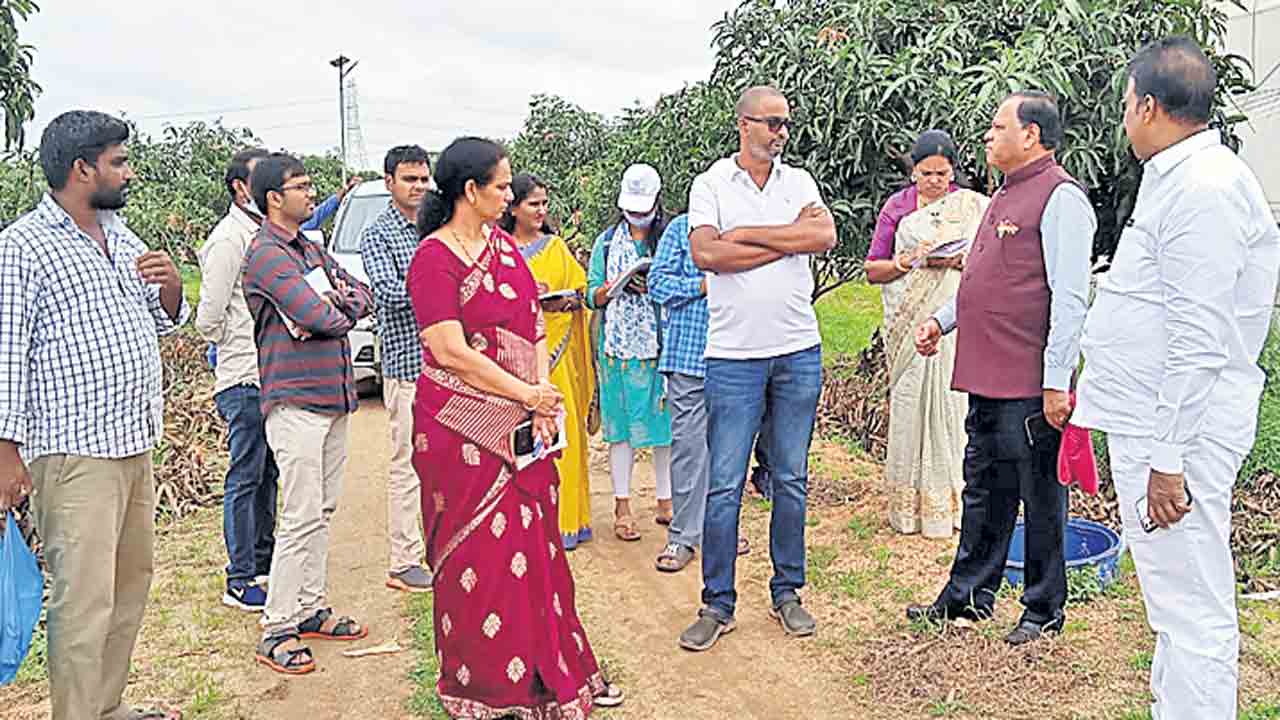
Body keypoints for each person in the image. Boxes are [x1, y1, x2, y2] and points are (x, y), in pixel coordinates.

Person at [1073, 37, 1280, 720]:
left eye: (1126, 104)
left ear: (1149, 107)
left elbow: (1199, 339)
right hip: (1155, 422)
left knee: (1192, 612)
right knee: (1174, 606)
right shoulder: (1178, 178)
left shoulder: (1204, 189)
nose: (1124, 117)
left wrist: (1168, 460)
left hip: (1178, 435)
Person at [408, 136, 623, 716]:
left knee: (534, 548)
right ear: (470, 190)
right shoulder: (434, 258)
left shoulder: (503, 248)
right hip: (459, 427)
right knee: (480, 557)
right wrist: (525, 393)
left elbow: (532, 323)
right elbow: (447, 349)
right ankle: (485, 685)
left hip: (521, 420)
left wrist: (541, 398)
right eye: (502, 186)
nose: (509, 195)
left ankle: (546, 673)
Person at [0, 110, 187, 720]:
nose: (128, 173)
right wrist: (6, 451)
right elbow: (6, 351)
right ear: (83, 169)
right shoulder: (23, 246)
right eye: (118, 162)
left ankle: (105, 707)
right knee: (83, 602)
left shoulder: (120, 234)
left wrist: (171, 290)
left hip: (133, 441)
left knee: (129, 587)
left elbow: (159, 321)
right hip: (74, 451)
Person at [907, 91, 1094, 645]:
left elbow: (1070, 299)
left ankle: (1042, 610)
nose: (988, 136)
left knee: (1040, 499)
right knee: (984, 490)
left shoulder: (1061, 198)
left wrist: (1057, 382)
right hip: (986, 377)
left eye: (997, 127)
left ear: (1030, 135)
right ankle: (967, 596)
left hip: (1030, 384)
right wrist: (942, 321)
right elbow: (982, 280)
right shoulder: (1002, 197)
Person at [680, 86, 837, 651]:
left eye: (786, 123)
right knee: (725, 484)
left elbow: (824, 236)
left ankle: (787, 592)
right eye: (771, 122)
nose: (781, 133)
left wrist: (745, 235)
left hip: (797, 350)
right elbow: (707, 255)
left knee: (790, 479)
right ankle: (717, 603)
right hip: (733, 357)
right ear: (743, 124)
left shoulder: (800, 182)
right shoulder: (711, 184)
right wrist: (788, 241)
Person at [242, 153, 375, 675]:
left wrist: (337, 305)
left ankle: (310, 607)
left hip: (333, 395)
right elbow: (318, 313)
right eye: (300, 186)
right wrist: (336, 308)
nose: (310, 193)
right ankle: (277, 625)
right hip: (295, 399)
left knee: (322, 509)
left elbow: (360, 296)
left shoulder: (311, 249)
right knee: (299, 513)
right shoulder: (266, 255)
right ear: (274, 198)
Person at [865, 130, 990, 538]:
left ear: (953, 172)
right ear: (913, 171)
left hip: (955, 324)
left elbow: (991, 259)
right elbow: (873, 270)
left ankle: (950, 506)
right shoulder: (898, 208)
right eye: (926, 173)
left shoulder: (971, 207)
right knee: (909, 405)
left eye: (942, 173)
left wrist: (961, 262)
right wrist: (910, 261)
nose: (935, 181)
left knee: (953, 409)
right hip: (910, 328)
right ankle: (907, 510)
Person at [196, 148, 278, 612]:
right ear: (240, 188)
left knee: (268, 474)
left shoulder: (264, 232)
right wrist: (234, 340)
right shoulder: (229, 240)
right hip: (243, 375)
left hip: (270, 375)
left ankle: (263, 565)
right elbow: (208, 317)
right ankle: (240, 577)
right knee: (246, 476)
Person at [649, 213, 753, 572]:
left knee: (731, 451)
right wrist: (701, 286)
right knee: (690, 448)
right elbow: (657, 284)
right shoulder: (682, 228)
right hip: (689, 356)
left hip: (740, 354)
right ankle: (682, 536)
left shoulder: (749, 227)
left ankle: (721, 532)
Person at [499, 172, 598, 550]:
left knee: (562, 435)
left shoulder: (556, 248)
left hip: (558, 356)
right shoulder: (498, 247)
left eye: (544, 203)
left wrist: (568, 302)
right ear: (514, 207)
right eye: (533, 204)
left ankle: (567, 520)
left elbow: (581, 291)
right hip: (511, 360)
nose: (541, 210)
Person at [584, 163, 674, 543]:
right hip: (618, 350)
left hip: (662, 345)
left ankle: (666, 500)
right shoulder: (606, 243)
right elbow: (591, 294)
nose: (637, 216)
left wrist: (656, 283)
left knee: (665, 427)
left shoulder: (670, 238)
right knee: (619, 429)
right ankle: (622, 506)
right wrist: (612, 289)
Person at [359, 144, 435, 592]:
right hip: (407, 364)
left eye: (424, 178)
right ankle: (404, 560)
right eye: (409, 179)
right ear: (389, 182)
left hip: (448, 365)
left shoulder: (438, 226)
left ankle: (441, 547)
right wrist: (442, 286)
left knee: (446, 462)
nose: (418, 187)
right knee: (407, 463)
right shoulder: (378, 235)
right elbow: (390, 293)